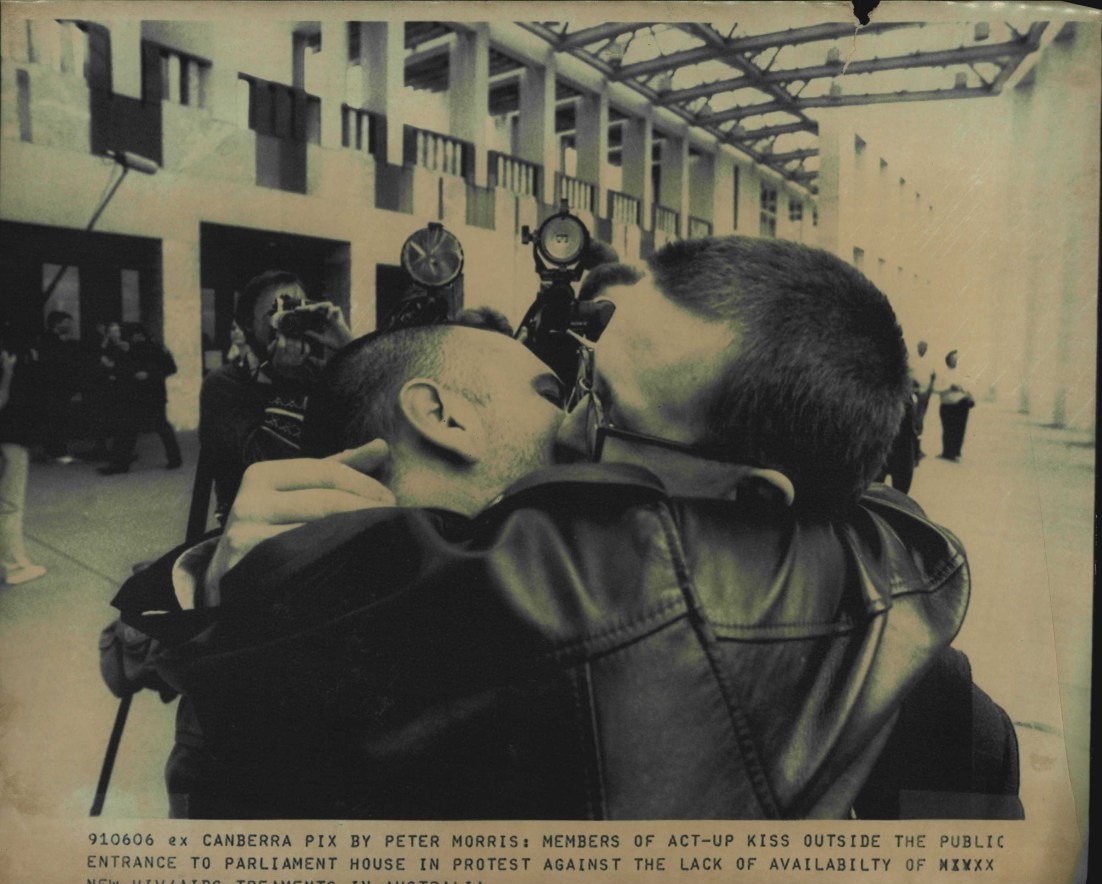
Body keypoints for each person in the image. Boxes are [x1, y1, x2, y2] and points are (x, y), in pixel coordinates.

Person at [110, 237, 1021, 820]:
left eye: (598, 401)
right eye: (573, 378)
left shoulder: (937, 713)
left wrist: (221, 608)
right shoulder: (901, 615)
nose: (572, 427)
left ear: (749, 499)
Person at [198, 271, 353, 523]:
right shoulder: (225, 383)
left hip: (322, 514)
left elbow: (373, 416)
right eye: (277, 313)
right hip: (254, 521)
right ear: (248, 323)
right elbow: (266, 475)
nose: (291, 322)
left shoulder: (316, 371)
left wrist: (348, 346)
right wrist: (287, 381)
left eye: (298, 311)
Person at [99, 324, 182, 475]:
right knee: (133, 428)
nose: (126, 339)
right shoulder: (134, 348)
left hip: (151, 395)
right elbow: (124, 368)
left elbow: (171, 368)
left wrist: (149, 374)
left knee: (149, 427)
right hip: (138, 396)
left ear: (138, 335)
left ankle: (121, 464)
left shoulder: (155, 348)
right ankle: (121, 463)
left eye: (129, 336)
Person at [1, 339, 47, 585]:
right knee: (9, 505)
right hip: (9, 441)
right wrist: (8, 371)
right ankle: (14, 566)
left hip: (9, 440)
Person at [34, 311, 82, 464]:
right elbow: (55, 363)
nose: (69, 325)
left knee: (56, 418)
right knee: (57, 419)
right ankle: (58, 452)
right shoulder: (49, 340)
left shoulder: (54, 339)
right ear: (57, 323)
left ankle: (53, 451)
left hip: (57, 386)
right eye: (66, 322)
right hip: (54, 386)